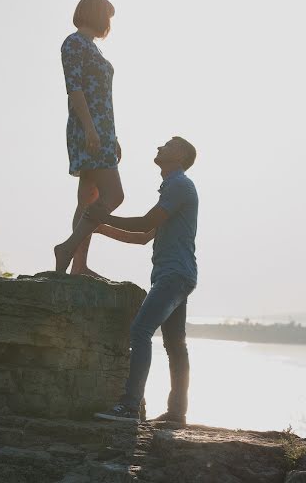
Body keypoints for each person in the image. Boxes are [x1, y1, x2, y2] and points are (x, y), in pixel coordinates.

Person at [89, 136, 198, 425]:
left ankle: (129, 405)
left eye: (169, 144)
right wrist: (100, 228)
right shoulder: (172, 189)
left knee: (140, 331)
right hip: (176, 274)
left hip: (174, 275)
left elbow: (145, 223)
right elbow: (142, 237)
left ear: (181, 155)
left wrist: (105, 215)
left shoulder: (179, 185)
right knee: (175, 344)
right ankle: (177, 414)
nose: (161, 145)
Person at [54, 0, 123, 277]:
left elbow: (104, 98)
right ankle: (68, 248)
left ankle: (79, 266)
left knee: (88, 198)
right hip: (89, 130)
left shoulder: (92, 49)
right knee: (114, 194)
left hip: (102, 131)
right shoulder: (74, 43)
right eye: (107, 15)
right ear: (97, 15)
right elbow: (75, 89)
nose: (109, 23)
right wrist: (91, 129)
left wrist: (113, 136)